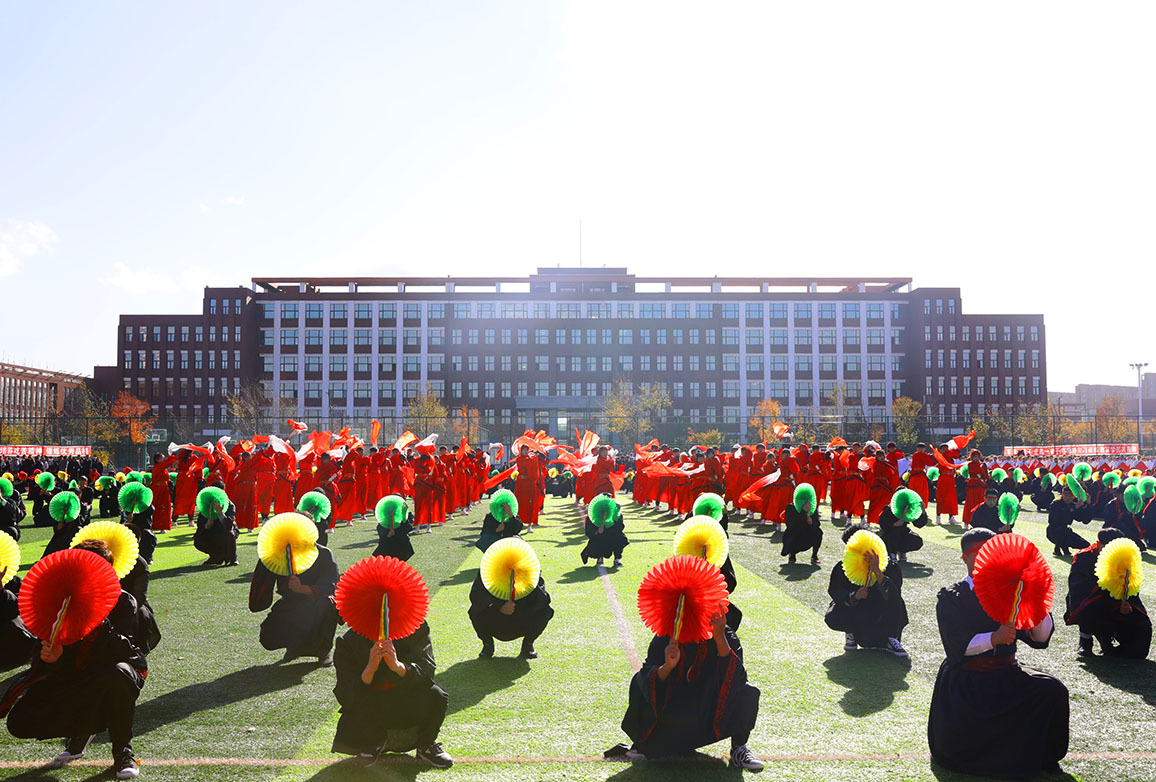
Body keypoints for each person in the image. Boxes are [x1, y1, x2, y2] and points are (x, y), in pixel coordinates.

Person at [928, 528, 1068, 778]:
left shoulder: (1011, 590)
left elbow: (1040, 637)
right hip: (967, 680)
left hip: (1007, 673)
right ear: (964, 558)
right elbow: (956, 646)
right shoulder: (952, 596)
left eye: (991, 552)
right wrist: (993, 638)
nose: (985, 558)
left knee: (1053, 691)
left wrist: (1035, 599)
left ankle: (1047, 756)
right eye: (978, 552)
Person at [2, 546, 148, 779]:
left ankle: (123, 751)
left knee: (117, 674)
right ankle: (84, 731)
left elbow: (124, 651)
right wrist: (49, 658)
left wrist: (97, 621)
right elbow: (44, 652)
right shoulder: (62, 601)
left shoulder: (122, 602)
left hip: (113, 671)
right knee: (20, 722)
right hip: (73, 676)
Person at [617, 611, 763, 771]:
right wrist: (667, 667)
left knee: (748, 692)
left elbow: (737, 678)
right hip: (671, 718)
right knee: (638, 682)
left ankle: (738, 749)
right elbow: (645, 679)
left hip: (709, 716)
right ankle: (645, 741)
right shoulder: (667, 634)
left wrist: (720, 638)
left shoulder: (726, 634)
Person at [331, 621, 453, 768]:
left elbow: (427, 672)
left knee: (436, 695)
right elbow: (345, 695)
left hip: (405, 700)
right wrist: (370, 669)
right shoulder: (349, 641)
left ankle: (425, 745)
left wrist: (398, 667)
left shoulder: (415, 629)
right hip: (370, 709)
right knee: (358, 701)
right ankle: (370, 745)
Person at [248, 542, 341, 665]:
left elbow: (330, 587)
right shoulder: (281, 554)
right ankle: (294, 648)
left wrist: (302, 588)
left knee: (326, 605)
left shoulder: (324, 553)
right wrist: (268, 559)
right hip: (291, 603)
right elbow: (264, 579)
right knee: (268, 637)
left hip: (318, 603)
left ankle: (323, 651)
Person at [1064, 529, 1151, 659]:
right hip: (1092, 604)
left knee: (1140, 644)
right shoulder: (1084, 558)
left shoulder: (1124, 561)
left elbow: (1131, 590)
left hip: (1116, 607)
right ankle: (1086, 640)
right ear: (1099, 544)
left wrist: (1128, 605)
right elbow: (1078, 590)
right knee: (1088, 604)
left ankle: (1114, 645)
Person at [824, 524, 908, 656]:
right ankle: (850, 631)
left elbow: (894, 593)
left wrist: (878, 572)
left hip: (880, 612)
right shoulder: (842, 567)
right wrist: (853, 596)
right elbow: (835, 591)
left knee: (898, 600)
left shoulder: (890, 566)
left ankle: (892, 638)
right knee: (833, 613)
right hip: (858, 612)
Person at [468, 554, 554, 660]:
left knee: (546, 611)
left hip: (521, 618)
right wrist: (499, 607)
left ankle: (528, 644)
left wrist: (530, 584)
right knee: (474, 611)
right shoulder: (488, 571)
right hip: (494, 619)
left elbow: (543, 600)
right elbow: (476, 597)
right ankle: (487, 645)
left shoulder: (530, 571)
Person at [876, 488, 929, 564]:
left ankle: (902, 551)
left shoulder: (908, 509)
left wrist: (923, 511)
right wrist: (894, 524)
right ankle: (892, 553)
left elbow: (919, 524)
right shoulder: (889, 508)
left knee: (917, 541)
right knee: (894, 534)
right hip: (888, 534)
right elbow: (882, 522)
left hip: (903, 532)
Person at [193, 485, 239, 566]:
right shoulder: (206, 505)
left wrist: (220, 513)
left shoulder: (230, 505)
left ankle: (233, 558)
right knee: (198, 541)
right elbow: (200, 526)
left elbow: (229, 525)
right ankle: (216, 556)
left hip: (225, 531)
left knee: (230, 533)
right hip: (212, 531)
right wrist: (208, 524)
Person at [582, 494, 628, 568]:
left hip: (612, 536)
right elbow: (589, 533)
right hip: (600, 538)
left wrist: (612, 523)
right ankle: (599, 556)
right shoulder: (592, 517)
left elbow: (620, 528)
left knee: (620, 538)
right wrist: (599, 529)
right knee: (595, 542)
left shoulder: (616, 514)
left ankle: (617, 559)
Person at [1047, 485, 1094, 557]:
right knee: (1061, 531)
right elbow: (1055, 519)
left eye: (1070, 496)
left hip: (1066, 531)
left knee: (1086, 545)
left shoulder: (1073, 505)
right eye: (1066, 495)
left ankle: (1063, 546)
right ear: (1062, 495)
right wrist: (1074, 508)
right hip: (1053, 532)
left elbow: (1085, 520)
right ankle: (1058, 547)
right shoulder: (1055, 504)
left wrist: (1088, 504)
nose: (1068, 498)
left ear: (1073, 496)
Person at [781, 484, 821, 565]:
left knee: (818, 532)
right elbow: (791, 525)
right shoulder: (790, 507)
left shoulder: (812, 508)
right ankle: (792, 554)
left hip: (807, 534)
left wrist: (811, 523)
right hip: (795, 534)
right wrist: (803, 512)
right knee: (792, 534)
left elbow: (817, 524)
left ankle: (814, 555)